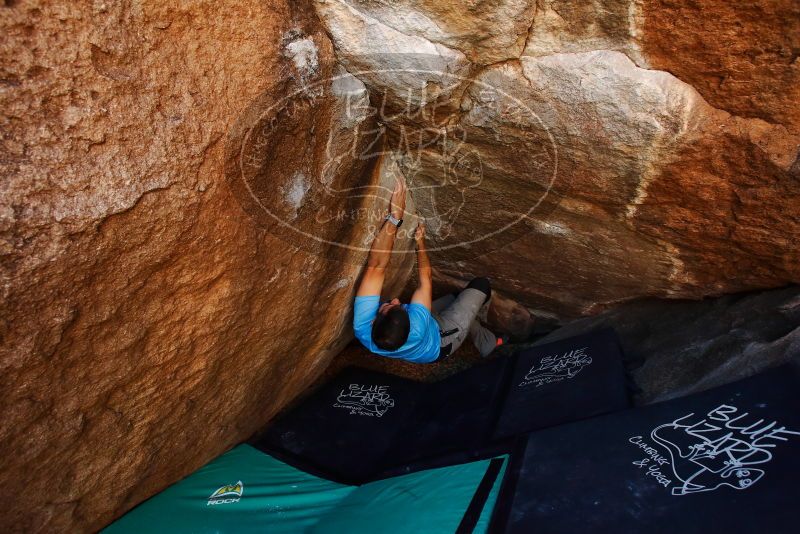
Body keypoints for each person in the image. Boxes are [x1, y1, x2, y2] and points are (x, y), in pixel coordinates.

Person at [353, 176, 504, 363]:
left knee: (455, 298)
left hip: (426, 323)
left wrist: (394, 219)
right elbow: (426, 278)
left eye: (390, 306)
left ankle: (469, 311)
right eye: (398, 307)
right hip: (442, 340)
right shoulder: (417, 324)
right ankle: (486, 340)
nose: (398, 300)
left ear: (373, 322)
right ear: (410, 320)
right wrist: (421, 243)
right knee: (481, 285)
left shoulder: (362, 326)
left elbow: (376, 266)